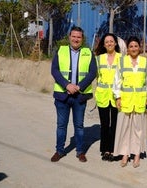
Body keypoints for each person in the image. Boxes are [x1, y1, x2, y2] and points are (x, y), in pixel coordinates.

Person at [50, 26, 97, 162]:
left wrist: (79, 86)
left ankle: (80, 151)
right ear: (69, 37)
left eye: (79, 37)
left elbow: (92, 72)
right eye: (74, 36)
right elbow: (55, 70)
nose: (76, 39)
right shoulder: (61, 50)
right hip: (62, 95)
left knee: (79, 126)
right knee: (61, 125)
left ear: (82, 39)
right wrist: (67, 85)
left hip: (79, 96)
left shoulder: (88, 52)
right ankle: (59, 151)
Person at [113, 36, 147, 168]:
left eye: (136, 46)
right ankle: (125, 154)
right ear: (127, 49)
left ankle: (136, 155)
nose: (134, 48)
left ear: (139, 48)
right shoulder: (122, 62)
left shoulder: (146, 62)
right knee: (124, 128)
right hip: (126, 100)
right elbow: (117, 80)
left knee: (138, 129)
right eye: (131, 46)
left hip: (140, 100)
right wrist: (117, 97)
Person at [94, 33, 121, 162]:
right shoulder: (99, 59)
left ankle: (113, 149)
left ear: (115, 43)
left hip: (117, 96)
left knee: (115, 124)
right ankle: (105, 149)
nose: (109, 43)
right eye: (106, 42)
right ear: (103, 45)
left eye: (111, 41)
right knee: (104, 124)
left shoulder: (122, 58)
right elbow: (97, 76)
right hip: (103, 95)